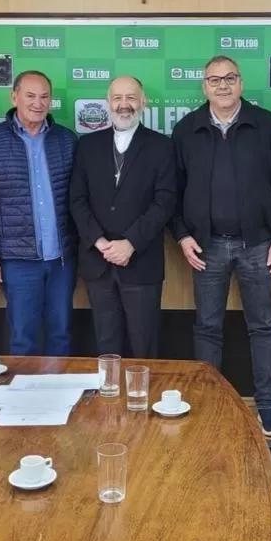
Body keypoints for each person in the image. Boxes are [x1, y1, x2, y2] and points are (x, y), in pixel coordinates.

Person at [172, 55, 271, 437]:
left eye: (229, 78)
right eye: (214, 79)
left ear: (241, 83)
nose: (222, 85)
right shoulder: (186, 129)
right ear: (204, 86)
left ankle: (269, 409)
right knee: (208, 328)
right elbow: (171, 191)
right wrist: (182, 234)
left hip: (258, 245)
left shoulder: (268, 125)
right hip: (205, 247)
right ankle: (210, 405)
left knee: (263, 326)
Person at [0, 70, 78, 355]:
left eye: (44, 97)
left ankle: (60, 398)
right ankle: (25, 399)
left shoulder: (66, 140)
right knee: (23, 338)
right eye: (30, 96)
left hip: (61, 260)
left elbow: (80, 200)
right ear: (14, 96)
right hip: (17, 260)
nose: (37, 103)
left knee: (61, 333)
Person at [70, 76, 176, 358]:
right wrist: (99, 241)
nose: (124, 105)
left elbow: (165, 202)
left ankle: (144, 400)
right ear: (108, 103)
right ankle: (109, 402)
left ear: (143, 102)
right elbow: (76, 199)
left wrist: (130, 242)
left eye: (131, 98)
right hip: (98, 262)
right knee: (106, 346)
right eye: (117, 98)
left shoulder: (162, 146)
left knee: (144, 345)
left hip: (141, 263)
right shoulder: (87, 145)